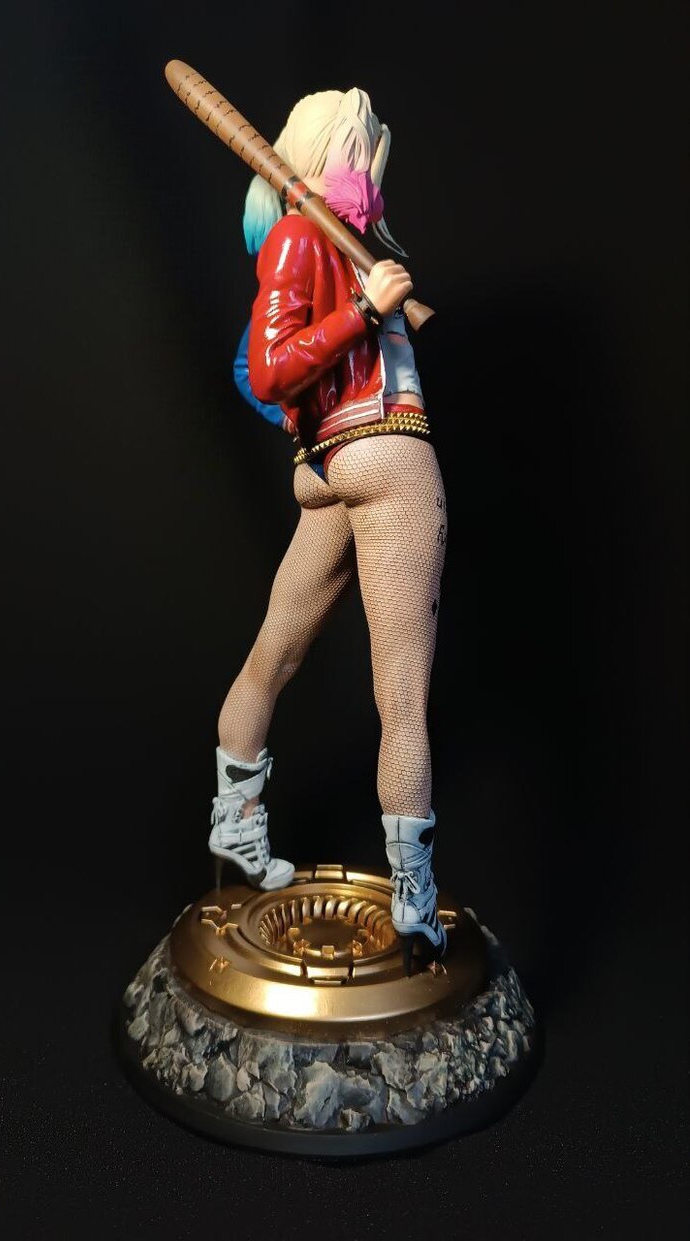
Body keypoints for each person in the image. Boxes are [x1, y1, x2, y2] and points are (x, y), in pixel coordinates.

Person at [208, 87, 448, 971]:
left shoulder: (336, 241)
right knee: (403, 696)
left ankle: (234, 828)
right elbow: (268, 370)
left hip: (332, 469)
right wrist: (368, 309)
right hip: (386, 455)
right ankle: (415, 902)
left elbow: (262, 367)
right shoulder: (309, 238)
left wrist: (362, 304)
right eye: (363, 147)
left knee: (275, 652)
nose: (372, 162)